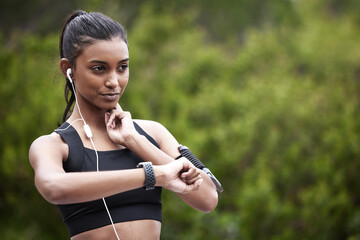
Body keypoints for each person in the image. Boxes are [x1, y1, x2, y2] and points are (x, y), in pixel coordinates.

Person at [29, 10, 218, 240]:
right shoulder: (54, 145)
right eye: (99, 68)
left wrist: (134, 141)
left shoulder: (152, 133)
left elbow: (207, 199)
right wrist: (153, 175)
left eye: (122, 67)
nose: (113, 81)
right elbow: (53, 187)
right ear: (68, 70)